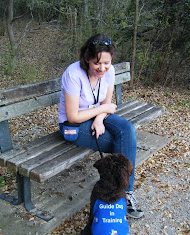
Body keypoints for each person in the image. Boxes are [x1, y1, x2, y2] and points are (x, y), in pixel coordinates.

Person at [58, 33, 144, 219]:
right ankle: (117, 192)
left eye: (107, 63)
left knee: (127, 130)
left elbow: (106, 103)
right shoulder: (73, 74)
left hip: (98, 115)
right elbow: (73, 116)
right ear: (87, 58)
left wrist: (99, 117)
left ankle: (126, 192)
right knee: (121, 144)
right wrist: (103, 109)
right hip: (72, 125)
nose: (102, 68)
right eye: (97, 63)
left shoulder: (109, 71)